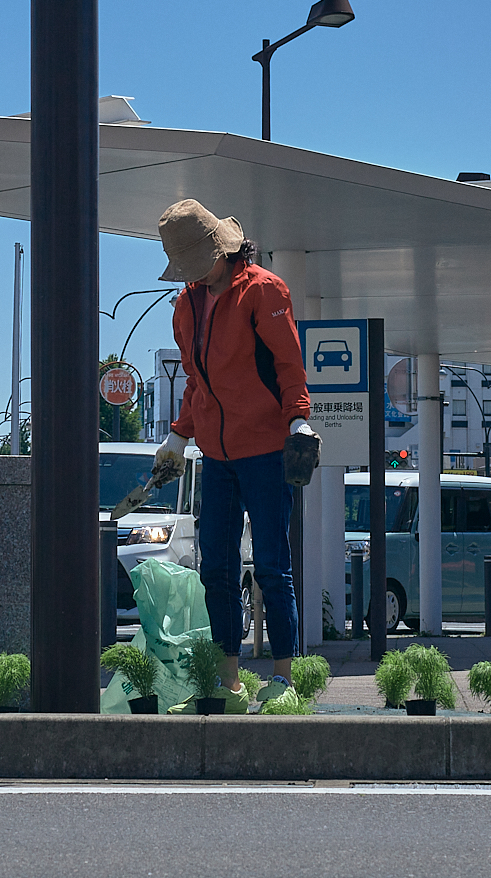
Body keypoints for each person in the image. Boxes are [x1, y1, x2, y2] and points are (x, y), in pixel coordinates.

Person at [150, 199, 318, 709]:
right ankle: (229, 680)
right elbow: (196, 381)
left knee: (272, 565)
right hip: (217, 456)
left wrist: (299, 417)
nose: (193, 276)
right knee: (217, 569)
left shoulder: (264, 291)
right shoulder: (186, 306)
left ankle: (284, 678)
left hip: (266, 450)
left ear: (221, 251)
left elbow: (288, 363)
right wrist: (180, 434)